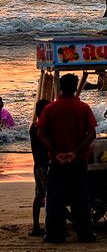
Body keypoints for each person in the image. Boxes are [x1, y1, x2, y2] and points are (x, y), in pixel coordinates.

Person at [38, 73, 97, 243]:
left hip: (56, 162)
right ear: (76, 87)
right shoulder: (83, 108)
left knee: (55, 200)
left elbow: (41, 133)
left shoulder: (50, 109)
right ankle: (85, 233)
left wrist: (56, 151)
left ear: (61, 88)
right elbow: (91, 134)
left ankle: (55, 234)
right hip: (78, 161)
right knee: (81, 199)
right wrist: (75, 152)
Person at [29, 99, 50, 236]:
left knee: (39, 195)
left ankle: (36, 225)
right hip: (43, 165)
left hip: (38, 165)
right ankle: (47, 226)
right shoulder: (40, 127)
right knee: (48, 195)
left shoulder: (34, 126)